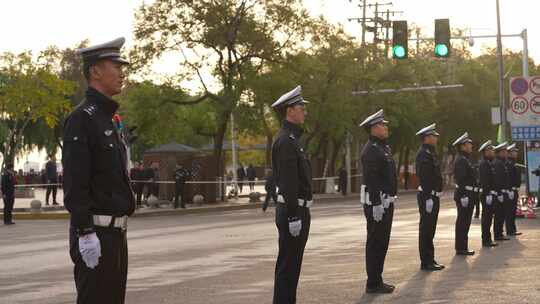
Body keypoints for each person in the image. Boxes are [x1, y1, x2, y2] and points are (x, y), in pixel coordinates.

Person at [62, 37, 135, 304]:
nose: (121, 73)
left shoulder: (109, 119)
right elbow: (75, 181)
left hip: (116, 235)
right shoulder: (83, 118)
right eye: (115, 66)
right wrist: (84, 232)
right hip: (95, 233)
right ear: (95, 71)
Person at [271, 85, 313, 304]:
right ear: (290, 111)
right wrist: (293, 215)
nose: (304, 111)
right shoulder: (286, 141)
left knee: (292, 265)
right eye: (301, 107)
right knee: (288, 266)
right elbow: (288, 183)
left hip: (296, 208)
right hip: (292, 210)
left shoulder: (292, 140)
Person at [359, 109, 397, 294]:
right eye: (382, 125)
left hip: (385, 202)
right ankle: (372, 282)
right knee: (375, 242)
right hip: (377, 203)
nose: (385, 127)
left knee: (382, 242)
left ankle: (377, 279)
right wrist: (375, 203)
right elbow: (372, 178)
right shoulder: (371, 150)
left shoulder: (383, 147)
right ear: (374, 128)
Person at [415, 123, 445, 271]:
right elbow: (424, 176)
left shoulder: (430, 153)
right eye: (434, 136)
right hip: (428, 196)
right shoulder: (423, 154)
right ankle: (425, 261)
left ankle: (430, 259)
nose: (436, 139)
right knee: (426, 229)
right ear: (427, 138)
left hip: (432, 196)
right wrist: (427, 197)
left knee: (430, 229)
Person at [452, 132, 477, 256]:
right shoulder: (461, 160)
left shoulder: (465, 159)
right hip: (464, 194)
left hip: (467, 193)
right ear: (462, 146)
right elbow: (460, 179)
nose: (471, 146)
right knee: (463, 221)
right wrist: (463, 196)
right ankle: (461, 248)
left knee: (465, 222)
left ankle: (462, 247)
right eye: (468, 144)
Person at [478, 140, 499, 247]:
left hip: (490, 194)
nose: (493, 152)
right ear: (485, 152)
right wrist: (488, 194)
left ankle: (488, 239)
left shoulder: (488, 163)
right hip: (487, 194)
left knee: (489, 218)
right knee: (486, 218)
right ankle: (486, 240)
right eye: (491, 150)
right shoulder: (483, 164)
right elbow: (484, 181)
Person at [493, 142, 511, 241]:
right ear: (499, 153)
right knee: (499, 214)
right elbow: (497, 180)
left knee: (502, 214)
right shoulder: (497, 163)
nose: (506, 154)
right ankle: (497, 234)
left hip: (503, 192)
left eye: (506, 152)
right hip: (499, 193)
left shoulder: (501, 163)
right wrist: (499, 193)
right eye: (503, 152)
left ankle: (500, 233)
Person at [506, 143, 522, 236]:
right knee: (510, 211)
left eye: (516, 152)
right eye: (514, 152)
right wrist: (509, 190)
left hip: (514, 189)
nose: (516, 153)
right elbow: (508, 178)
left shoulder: (513, 163)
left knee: (513, 210)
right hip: (511, 190)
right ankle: (510, 230)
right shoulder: (508, 164)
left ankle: (512, 229)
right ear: (509, 153)